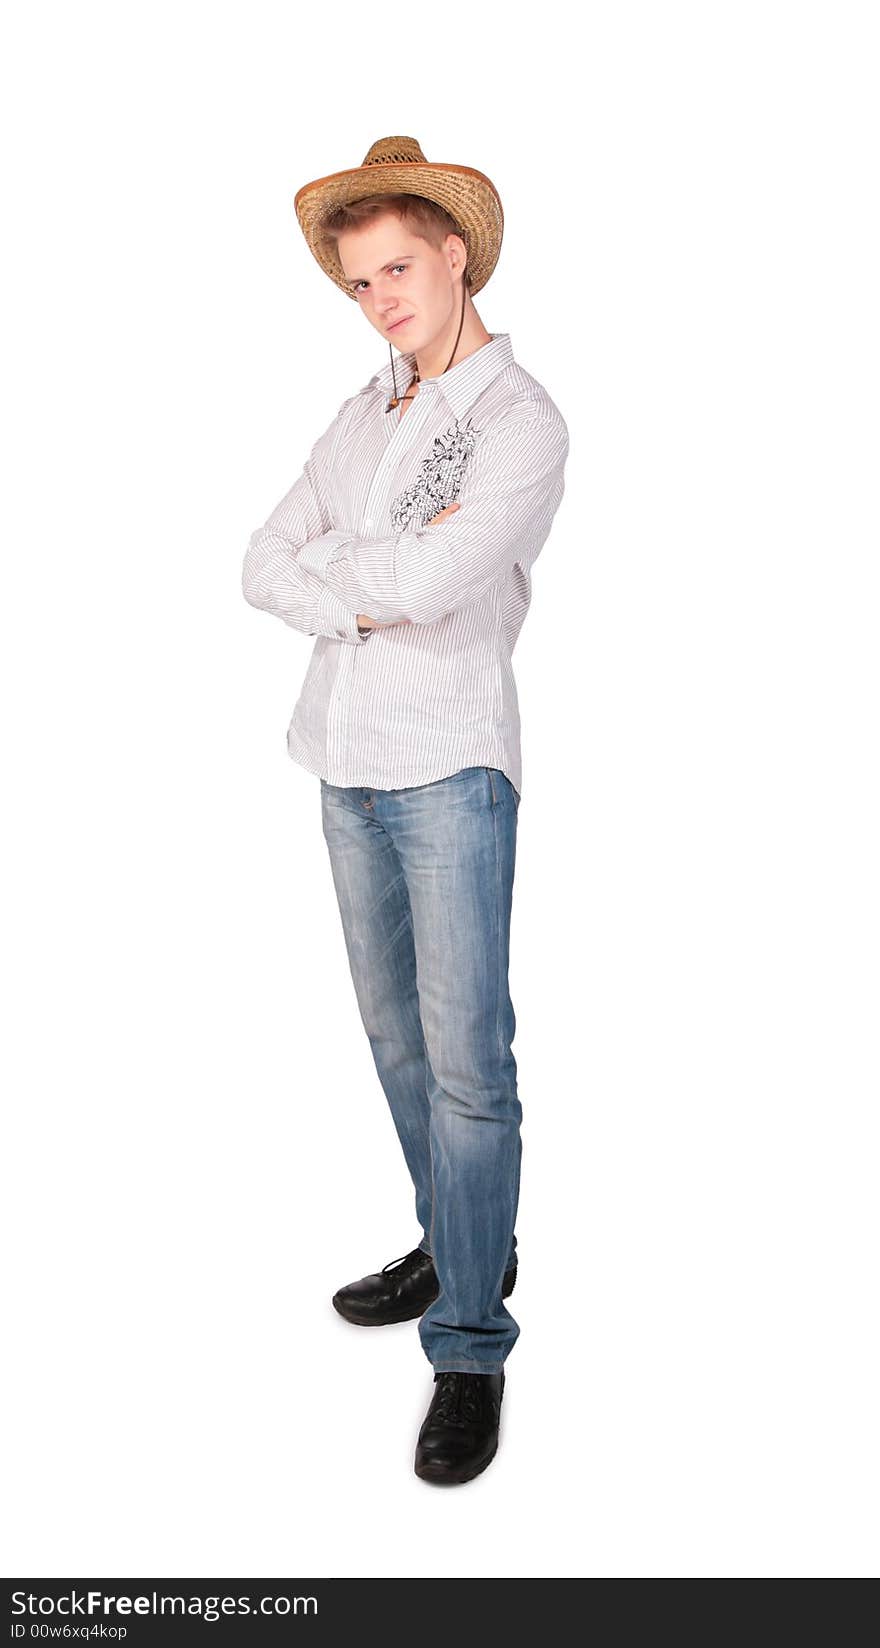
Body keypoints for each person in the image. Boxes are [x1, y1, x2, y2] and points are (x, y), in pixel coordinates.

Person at [242, 136, 569, 1485]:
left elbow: (440, 579)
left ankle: (472, 1339)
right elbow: (262, 558)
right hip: (343, 762)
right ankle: (456, 1228)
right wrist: (354, 576)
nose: (379, 298)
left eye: (396, 269)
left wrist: (350, 574)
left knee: (467, 1064)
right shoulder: (357, 413)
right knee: (392, 1039)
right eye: (357, 281)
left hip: (448, 767)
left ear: (453, 254)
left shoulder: (519, 423)